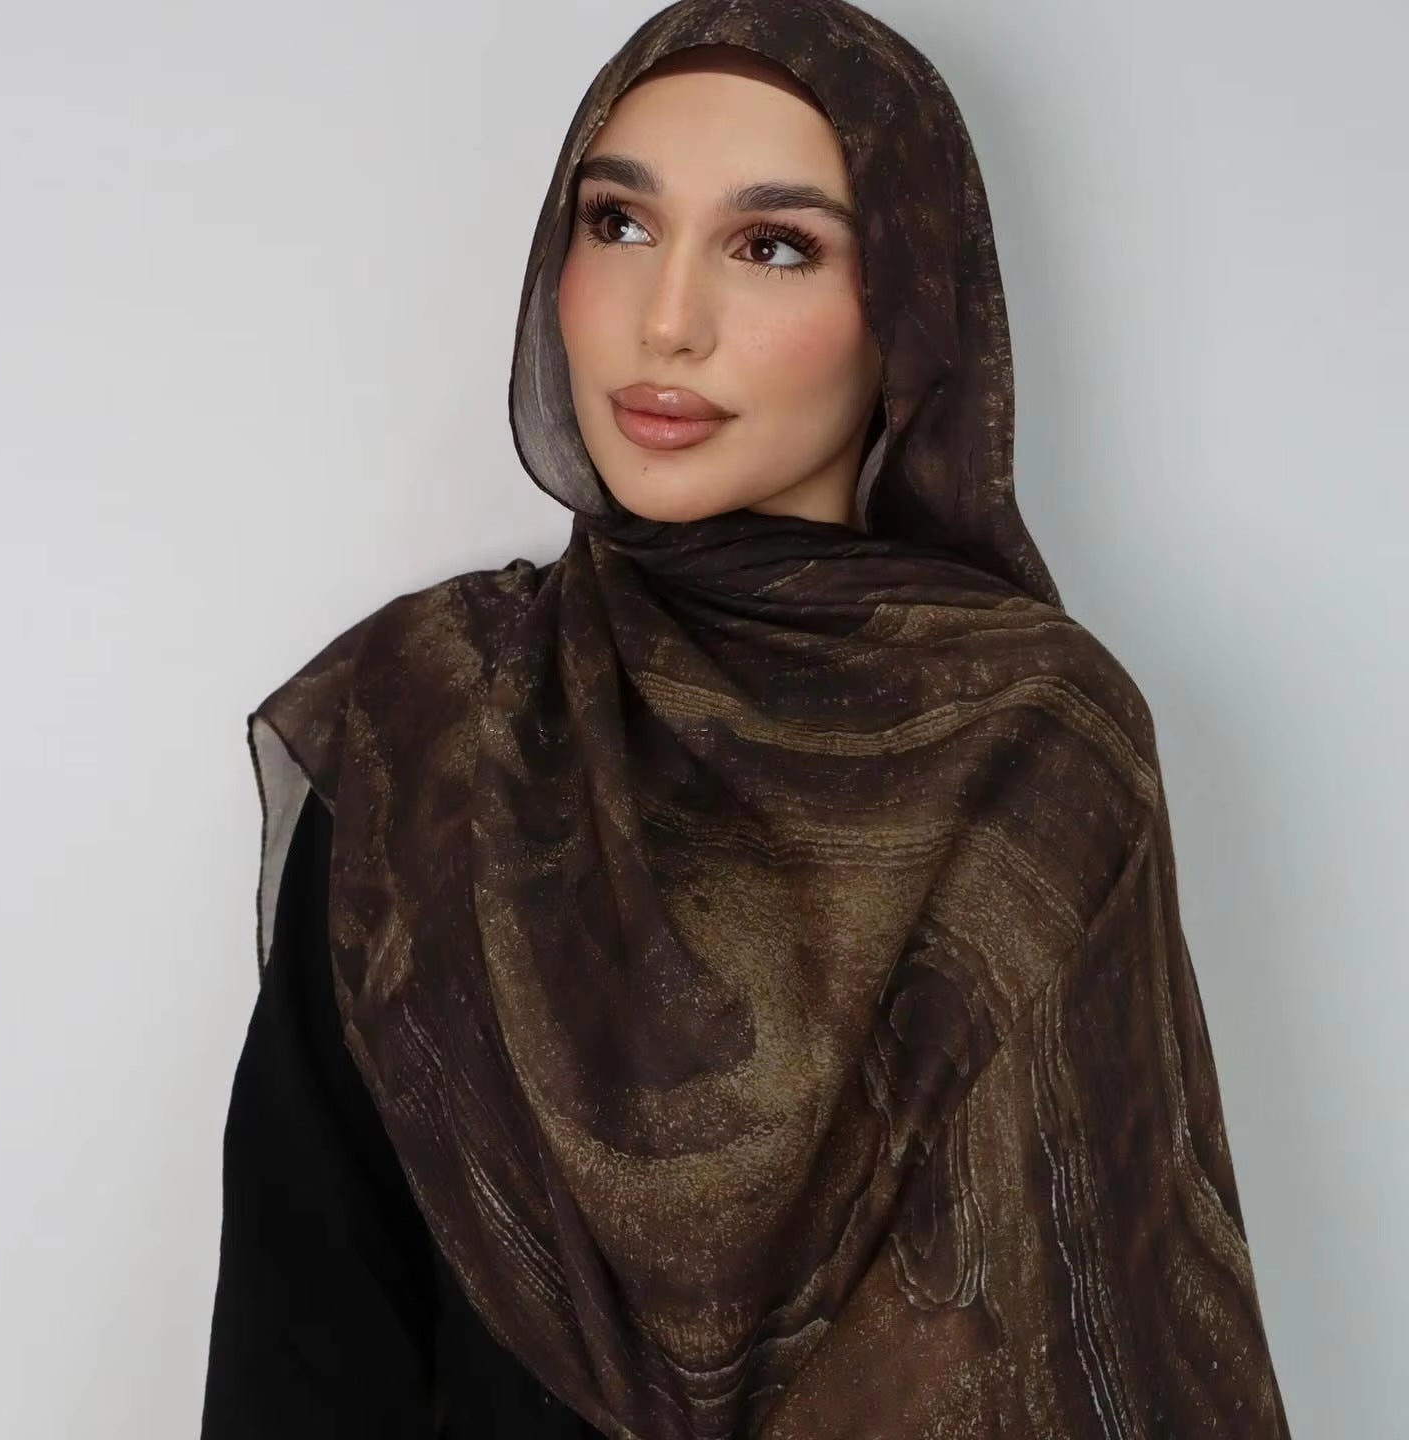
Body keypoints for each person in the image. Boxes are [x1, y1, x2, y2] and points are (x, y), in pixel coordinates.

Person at [201, 2, 1292, 1437]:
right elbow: (303, 1337)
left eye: (773, 246)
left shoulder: (1031, 745)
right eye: (618, 223)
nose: (667, 320)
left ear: (908, 305)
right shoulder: (430, 725)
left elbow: (1088, 1320)